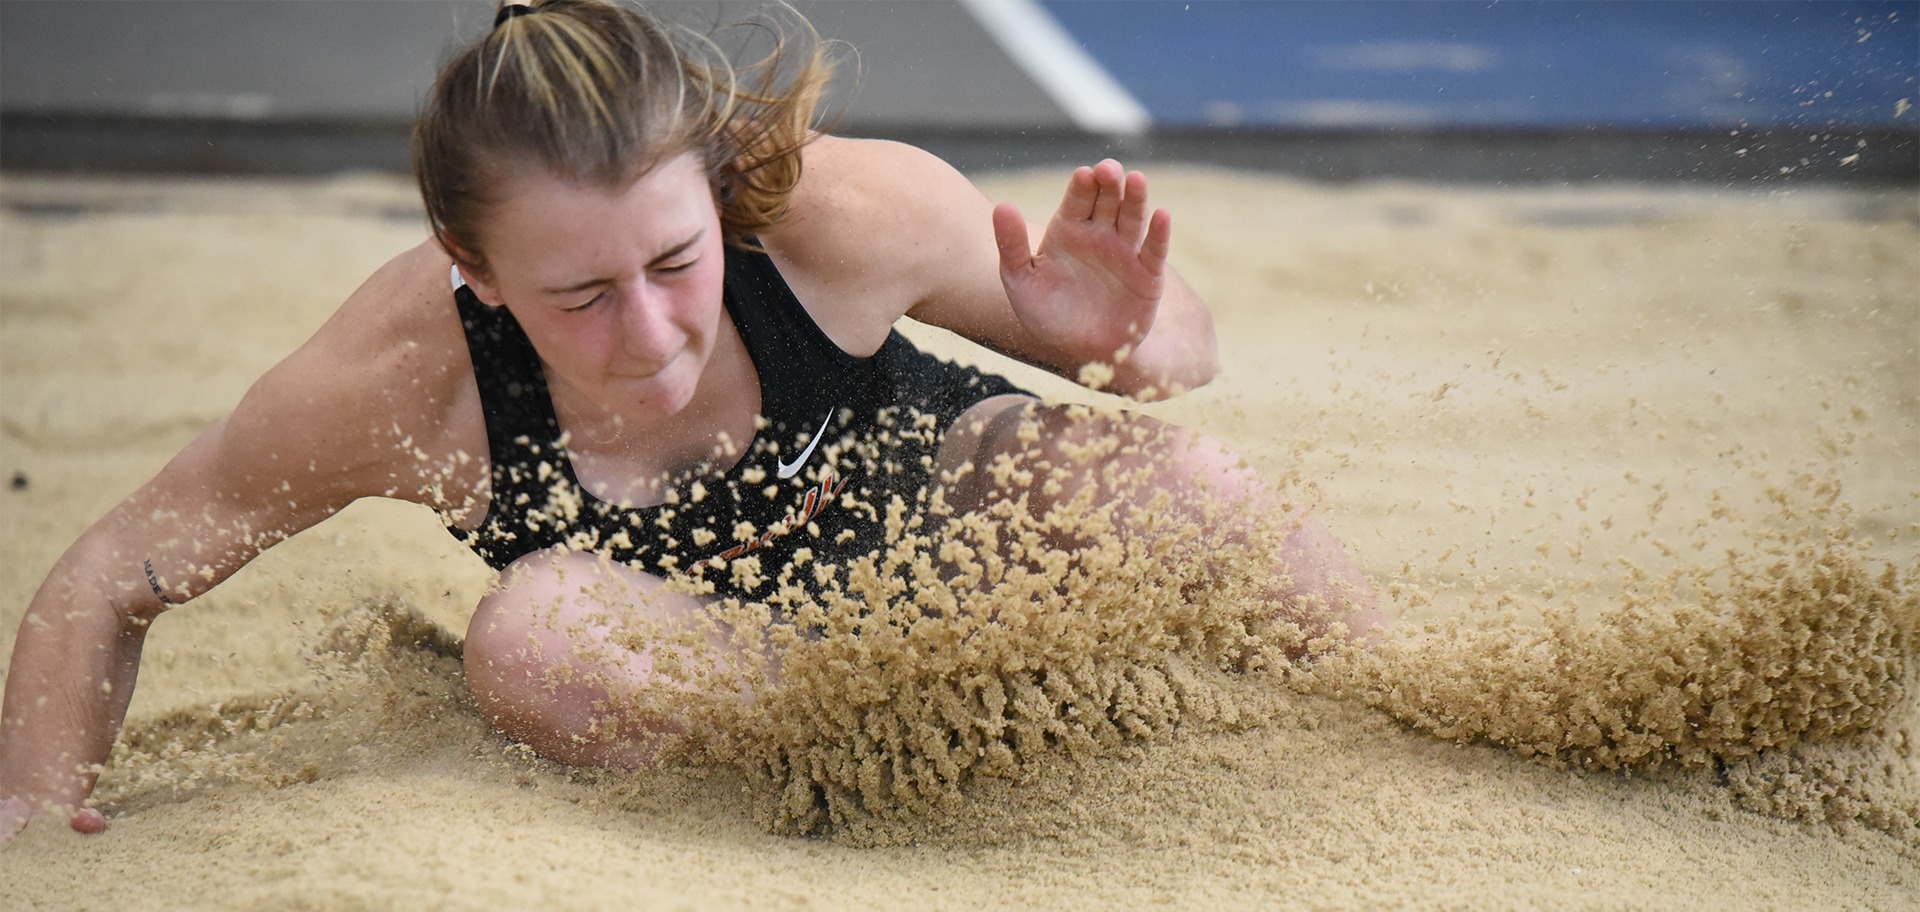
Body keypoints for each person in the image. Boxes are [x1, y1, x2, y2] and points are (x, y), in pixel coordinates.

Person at [0, 0, 1381, 841]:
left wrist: (1126, 344)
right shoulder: (400, 378)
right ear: (475, 270)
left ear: (716, 194)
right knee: (531, 640)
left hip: (948, 537)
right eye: (582, 295)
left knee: (1185, 481)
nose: (651, 333)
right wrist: (33, 804)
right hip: (735, 684)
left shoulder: (835, 210)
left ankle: (1394, 702)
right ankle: (926, 784)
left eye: (676, 265)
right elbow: (111, 571)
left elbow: (1186, 354)